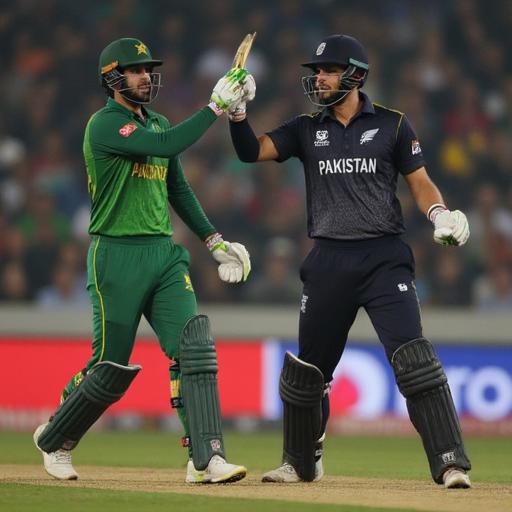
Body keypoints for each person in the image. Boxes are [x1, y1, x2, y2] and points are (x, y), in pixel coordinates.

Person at [229, 34, 472, 489]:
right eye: (315, 72)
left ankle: (449, 461)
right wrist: (237, 115)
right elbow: (250, 151)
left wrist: (438, 212)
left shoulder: (394, 125)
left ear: (355, 75)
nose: (317, 78)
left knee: (412, 359)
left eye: (327, 70)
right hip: (327, 260)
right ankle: (300, 463)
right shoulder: (305, 128)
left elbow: (419, 181)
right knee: (307, 373)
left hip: (384, 258)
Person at [33, 38, 251, 484]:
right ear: (113, 79)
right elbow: (169, 144)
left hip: (164, 255)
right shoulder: (105, 125)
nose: (146, 76)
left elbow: (178, 188)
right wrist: (213, 107)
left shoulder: (156, 122)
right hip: (115, 254)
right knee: (110, 366)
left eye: (148, 69)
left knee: (194, 349)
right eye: (135, 70)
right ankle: (56, 437)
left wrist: (213, 241)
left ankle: (206, 458)